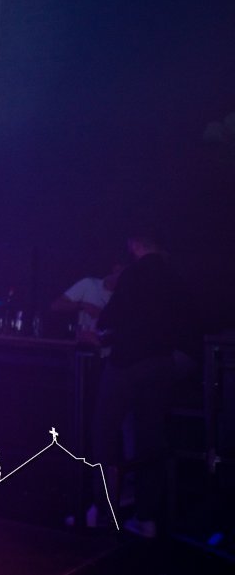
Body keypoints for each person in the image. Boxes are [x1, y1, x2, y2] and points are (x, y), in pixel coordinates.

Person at [91, 230, 199, 539]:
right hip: (162, 363)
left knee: (104, 432)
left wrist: (100, 327)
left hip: (128, 361)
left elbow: (110, 319)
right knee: (150, 437)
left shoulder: (133, 274)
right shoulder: (175, 276)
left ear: (135, 244)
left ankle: (103, 510)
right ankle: (147, 517)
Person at [48, 264, 122, 345]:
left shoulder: (125, 296)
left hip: (109, 346)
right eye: (120, 272)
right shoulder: (89, 284)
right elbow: (56, 305)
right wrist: (84, 305)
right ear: (115, 269)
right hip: (83, 345)